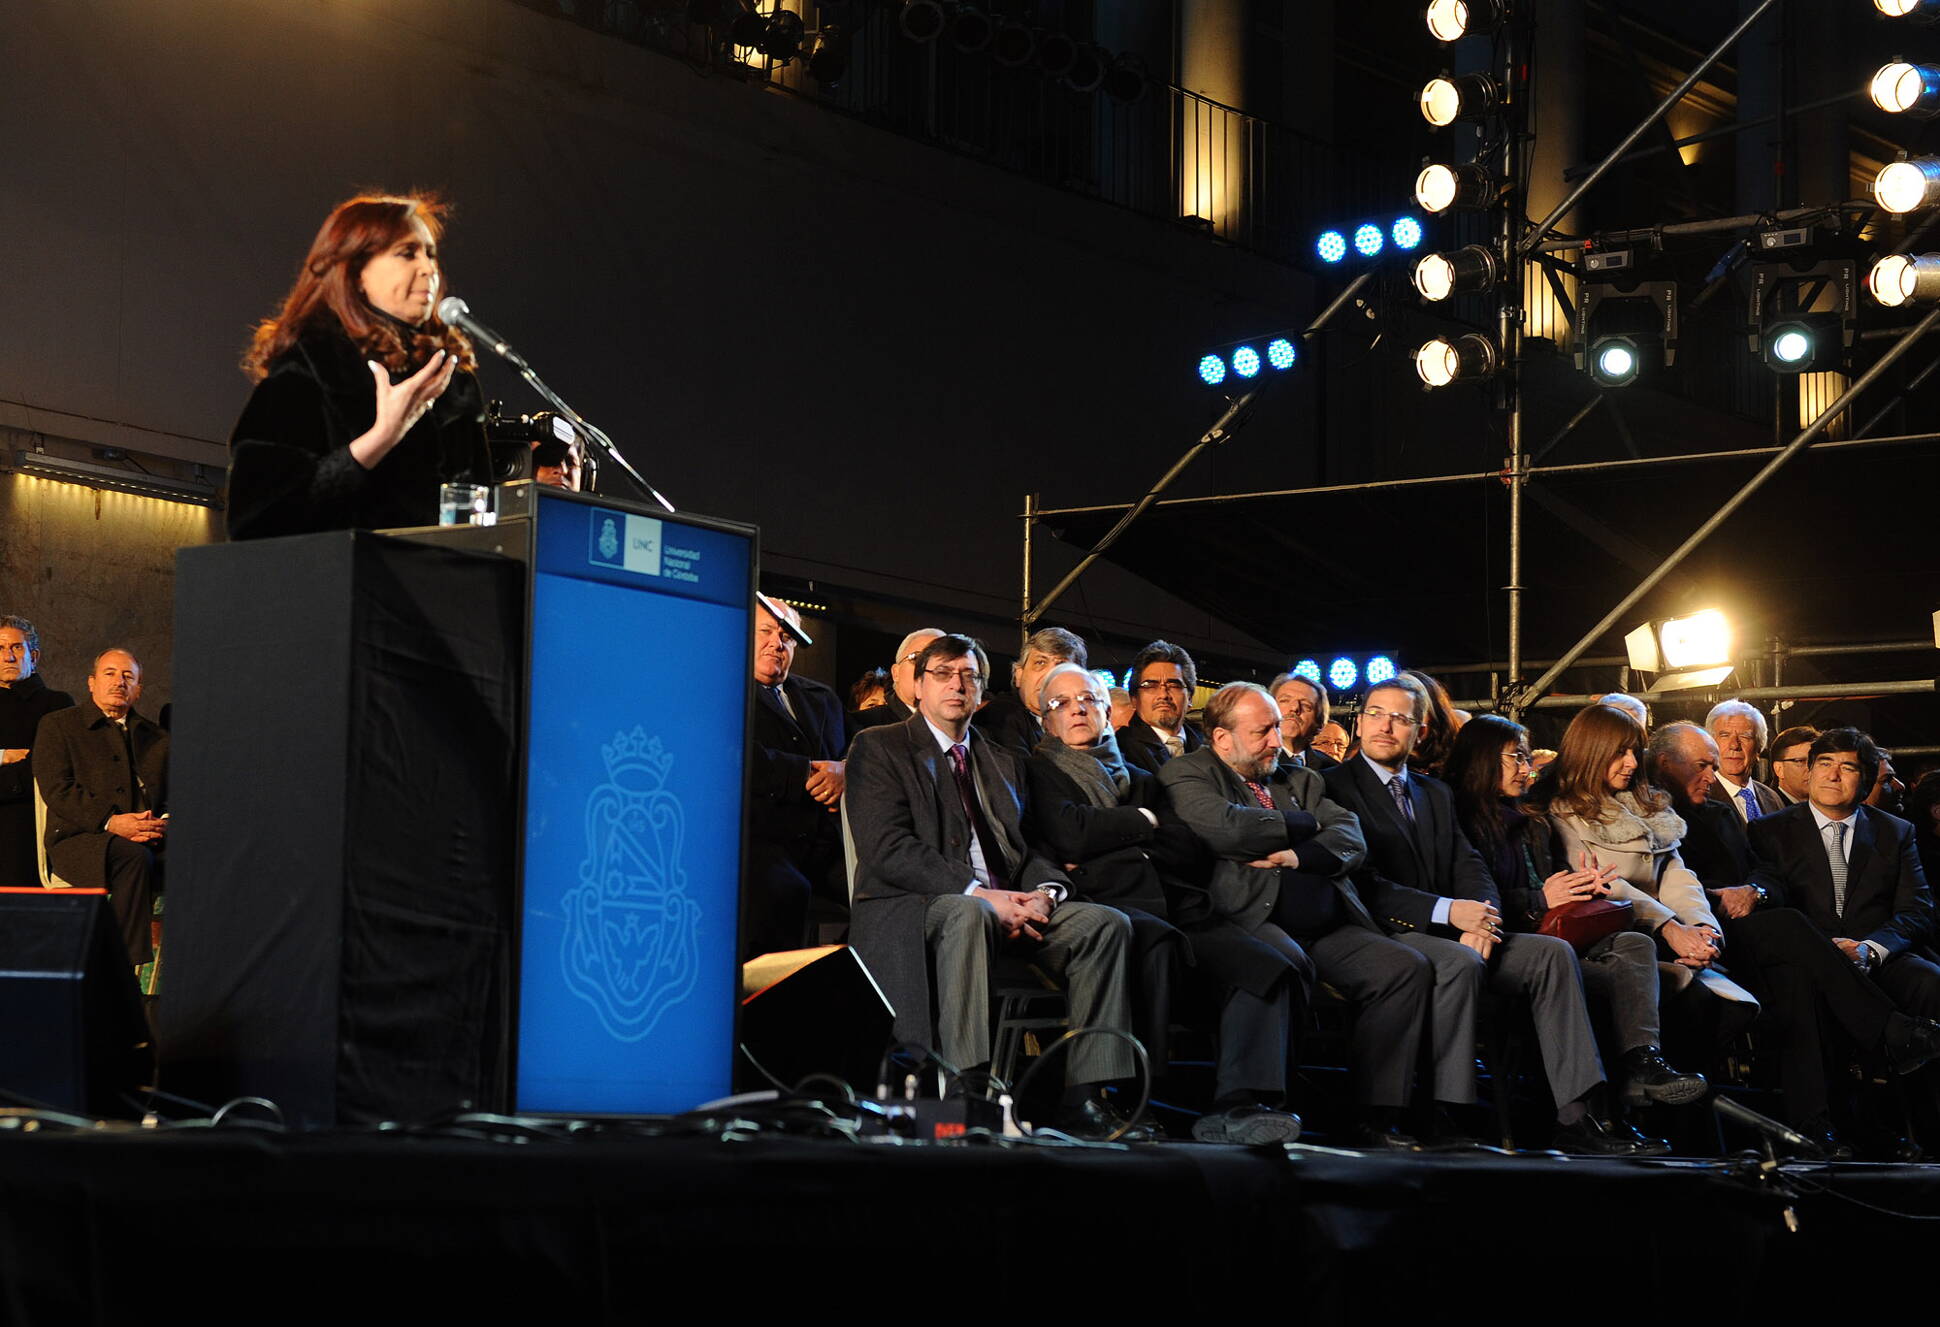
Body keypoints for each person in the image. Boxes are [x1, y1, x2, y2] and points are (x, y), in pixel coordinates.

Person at [845, 635, 1144, 1139]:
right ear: (918, 686)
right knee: (970, 914)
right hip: (913, 906)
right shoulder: (879, 747)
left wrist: (1046, 893)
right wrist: (980, 894)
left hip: (1004, 900)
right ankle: (970, 1092)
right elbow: (888, 849)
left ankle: (1087, 1097)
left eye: (969, 676)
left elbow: (1025, 849)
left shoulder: (1001, 758)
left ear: (982, 691)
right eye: (943, 674)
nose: (957, 685)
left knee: (1104, 925)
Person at [1323, 675, 1632, 1153]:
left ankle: (1579, 1118)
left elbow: (1467, 864)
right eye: (1375, 714)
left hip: (1458, 925)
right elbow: (1361, 880)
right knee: (1460, 961)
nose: (1386, 726)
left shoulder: (1433, 793)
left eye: (1400, 719)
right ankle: (1450, 1117)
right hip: (1383, 930)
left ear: (1420, 732)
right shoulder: (1332, 786)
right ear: (1359, 723)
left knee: (1550, 954)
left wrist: (1484, 918)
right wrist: (1452, 914)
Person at [1162, 683, 1448, 1149]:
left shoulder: (1300, 778)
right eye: (1262, 732)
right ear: (1221, 739)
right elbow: (1227, 828)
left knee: (1402, 968)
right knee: (1282, 960)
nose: (1276, 740)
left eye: (1276, 728)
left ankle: (1376, 1115)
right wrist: (1305, 825)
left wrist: (1294, 857)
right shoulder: (1188, 772)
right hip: (1248, 916)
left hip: (1327, 922)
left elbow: (1351, 836)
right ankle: (1252, 1105)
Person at [1025, 668, 1303, 1144]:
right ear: (1046, 720)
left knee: (1270, 968)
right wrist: (1142, 827)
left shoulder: (1140, 778)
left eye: (1088, 699)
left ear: (1107, 710)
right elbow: (1068, 833)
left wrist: (1116, 834)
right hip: (1107, 905)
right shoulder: (1037, 771)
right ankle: (1134, 1101)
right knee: (1155, 946)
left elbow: (1186, 849)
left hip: (1178, 901)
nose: (1076, 709)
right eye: (1061, 703)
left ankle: (1238, 1104)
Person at [1446, 714, 1703, 1148]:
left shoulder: (1530, 819)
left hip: (1548, 940)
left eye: (1528, 757)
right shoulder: (1461, 816)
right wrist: (1540, 899)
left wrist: (1584, 889)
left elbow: (1555, 894)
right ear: (1484, 760)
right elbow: (1474, 897)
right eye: (1516, 757)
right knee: (1578, 968)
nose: (1527, 767)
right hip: (1497, 943)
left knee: (1634, 945)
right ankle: (1583, 1119)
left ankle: (1642, 1067)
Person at [227, 193, 490, 539]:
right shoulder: (310, 367)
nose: (428, 268)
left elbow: (485, 518)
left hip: (438, 584)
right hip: (341, 585)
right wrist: (381, 438)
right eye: (407, 253)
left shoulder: (450, 382)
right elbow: (255, 519)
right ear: (355, 273)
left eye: (430, 254)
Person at [1742, 728, 1940, 1153]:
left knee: (1930, 982)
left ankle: (1930, 1132)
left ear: (1865, 781)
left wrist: (1870, 949)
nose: (1833, 776)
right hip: (1807, 962)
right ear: (1809, 773)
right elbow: (1769, 891)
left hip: (1877, 957)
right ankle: (1818, 1128)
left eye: (1847, 767)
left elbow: (1917, 910)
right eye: (1824, 765)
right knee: (1797, 988)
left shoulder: (1895, 831)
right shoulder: (1768, 831)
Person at [1531, 705, 1760, 1060]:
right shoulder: (1559, 811)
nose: (1633, 763)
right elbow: (1603, 884)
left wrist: (1701, 926)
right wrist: (1669, 927)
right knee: (1693, 1003)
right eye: (1620, 752)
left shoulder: (1648, 804)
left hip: (1674, 936)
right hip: (1617, 940)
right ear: (1592, 751)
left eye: (1634, 752)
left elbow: (1676, 874)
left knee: (1726, 1008)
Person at [34, 648, 168, 966]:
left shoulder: (158, 737)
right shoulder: (59, 726)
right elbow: (58, 789)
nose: (118, 682)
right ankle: (122, 965)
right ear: (91, 683)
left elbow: (174, 794)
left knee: (202, 859)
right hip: (81, 838)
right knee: (133, 856)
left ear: (138, 688)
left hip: (148, 834)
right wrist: (112, 822)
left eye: (128, 676)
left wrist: (162, 821)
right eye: (109, 673)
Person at [746, 596, 847, 956]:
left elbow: (848, 755)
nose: (777, 642)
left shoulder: (822, 699)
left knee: (886, 889)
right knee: (783, 890)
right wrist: (807, 772)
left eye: (788, 636)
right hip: (762, 839)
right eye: (767, 631)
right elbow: (739, 757)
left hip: (825, 842)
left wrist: (845, 771)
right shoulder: (722, 689)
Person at [0, 617, 75, 886]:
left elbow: (47, 765)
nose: (8, 657)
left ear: (34, 655)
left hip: (27, 817)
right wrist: (4, 755)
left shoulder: (56, 704)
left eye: (17, 648)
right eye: (0, 648)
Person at [973, 627, 1085, 757]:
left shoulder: (1085, 719)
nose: (1048, 676)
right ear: (1018, 675)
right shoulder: (1000, 716)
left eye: (1061, 667)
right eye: (1040, 663)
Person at [1116, 640, 1203, 775]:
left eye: (1174, 685)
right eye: (1150, 686)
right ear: (1134, 698)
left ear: (1190, 697)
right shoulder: (1119, 750)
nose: (1163, 695)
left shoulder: (1211, 747)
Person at [847, 627, 943, 736]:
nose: (927, 668)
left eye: (942, 664)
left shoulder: (962, 730)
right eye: (916, 658)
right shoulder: (860, 726)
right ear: (896, 673)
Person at [1706, 700, 1783, 822]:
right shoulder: (1701, 798)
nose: (1734, 745)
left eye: (1745, 736)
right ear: (1710, 744)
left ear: (1758, 749)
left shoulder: (1772, 798)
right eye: (1725, 735)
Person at [1269, 670, 1336, 770]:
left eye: (1306, 705)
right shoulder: (1253, 760)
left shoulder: (1331, 769)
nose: (1295, 708)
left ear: (1319, 724)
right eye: (1285, 701)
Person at [1768, 725, 1820, 806]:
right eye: (1800, 761)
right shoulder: (1766, 809)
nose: (1811, 768)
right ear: (1779, 769)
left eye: (1816, 761)